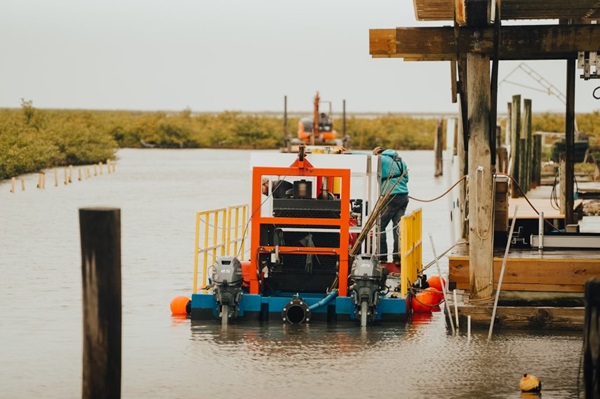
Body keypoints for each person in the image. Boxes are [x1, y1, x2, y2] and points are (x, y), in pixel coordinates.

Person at [373, 147, 409, 264]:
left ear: (378, 153)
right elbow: (406, 179)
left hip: (391, 196)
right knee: (398, 228)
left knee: (380, 226)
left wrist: (349, 152)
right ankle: (397, 258)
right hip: (403, 196)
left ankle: (382, 256)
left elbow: (364, 157)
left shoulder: (382, 159)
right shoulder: (400, 161)